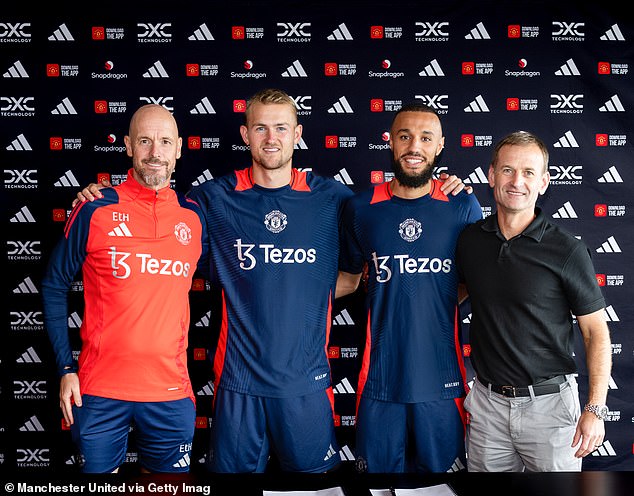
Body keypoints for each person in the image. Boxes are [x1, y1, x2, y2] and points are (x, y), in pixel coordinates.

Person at [74, 89, 468, 473]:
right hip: (238, 384)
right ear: (245, 135)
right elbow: (154, 216)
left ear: (297, 135)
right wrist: (100, 198)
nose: (271, 138)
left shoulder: (335, 199)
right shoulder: (211, 198)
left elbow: (365, 260)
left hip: (306, 384)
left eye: (281, 128)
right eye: (260, 128)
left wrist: (445, 188)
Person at [41, 104, 207, 473]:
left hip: (170, 392)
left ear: (179, 148)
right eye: (145, 141)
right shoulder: (95, 207)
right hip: (99, 390)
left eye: (165, 142)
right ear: (129, 145)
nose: (155, 152)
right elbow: (54, 285)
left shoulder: (194, 217)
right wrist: (65, 368)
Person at [336, 103, 482, 473]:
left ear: (440, 147)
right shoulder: (360, 208)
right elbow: (351, 279)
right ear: (391, 142)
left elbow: (473, 281)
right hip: (380, 379)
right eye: (405, 136)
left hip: (441, 379)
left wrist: (435, 294)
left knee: (445, 486)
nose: (414, 146)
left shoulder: (462, 205)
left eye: (425, 138)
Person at [455, 130, 612, 472]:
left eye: (528, 173)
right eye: (508, 170)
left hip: (551, 409)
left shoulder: (567, 250)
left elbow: (596, 332)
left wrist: (595, 409)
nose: (517, 181)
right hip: (487, 406)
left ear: (543, 182)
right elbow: (453, 292)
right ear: (491, 175)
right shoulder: (470, 241)